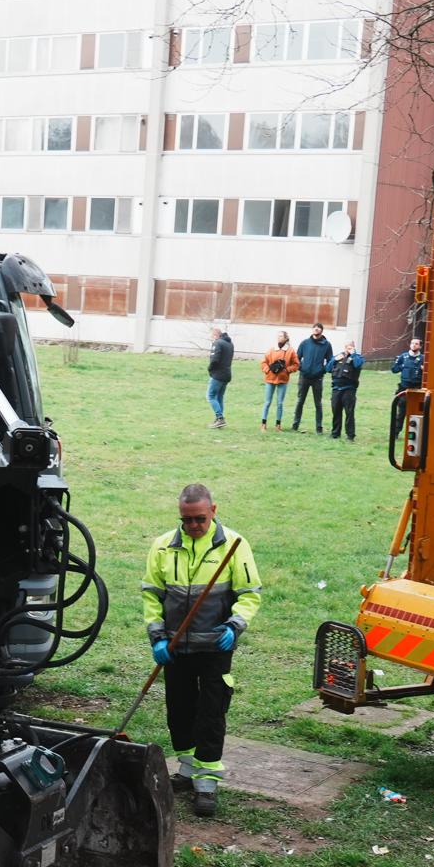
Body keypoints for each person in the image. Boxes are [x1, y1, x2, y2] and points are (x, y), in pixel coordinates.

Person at [142, 483, 264, 818]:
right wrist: (158, 638)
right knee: (179, 709)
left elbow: (250, 594)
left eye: (199, 519)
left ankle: (207, 782)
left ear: (214, 510)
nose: (193, 526)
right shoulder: (163, 547)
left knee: (211, 711)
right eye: (186, 520)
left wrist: (234, 626)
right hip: (176, 646)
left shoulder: (234, 546)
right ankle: (187, 769)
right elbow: (152, 595)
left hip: (215, 646)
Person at [291, 323, 334, 433]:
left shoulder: (327, 345)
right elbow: (296, 358)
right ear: (312, 330)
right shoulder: (305, 343)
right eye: (314, 327)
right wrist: (302, 368)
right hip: (304, 377)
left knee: (318, 403)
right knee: (300, 401)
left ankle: (319, 428)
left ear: (322, 331)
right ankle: (295, 425)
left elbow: (330, 361)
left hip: (317, 378)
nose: (316, 329)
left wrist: (322, 370)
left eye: (318, 328)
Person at [327, 340, 363, 442]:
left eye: (351, 347)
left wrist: (354, 354)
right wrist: (334, 360)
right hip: (336, 389)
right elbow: (328, 368)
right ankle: (335, 433)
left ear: (354, 347)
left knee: (349, 412)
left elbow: (358, 365)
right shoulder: (339, 356)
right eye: (347, 347)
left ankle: (350, 435)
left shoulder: (358, 357)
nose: (348, 348)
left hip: (349, 389)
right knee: (336, 411)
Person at [259, 334, 296, 428]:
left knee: (280, 403)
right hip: (270, 379)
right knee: (267, 402)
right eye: (278, 336)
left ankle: (278, 424)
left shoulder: (290, 351)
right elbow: (263, 362)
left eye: (281, 336)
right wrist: (267, 370)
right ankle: (263, 423)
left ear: (286, 338)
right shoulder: (271, 350)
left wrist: (287, 370)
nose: (279, 338)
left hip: (283, 380)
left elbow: (296, 364)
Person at [205, 323, 233, 429]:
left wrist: (210, 369)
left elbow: (215, 360)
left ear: (215, 334)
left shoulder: (217, 343)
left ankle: (220, 418)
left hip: (218, 374)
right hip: (227, 374)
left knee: (210, 396)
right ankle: (219, 420)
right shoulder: (230, 344)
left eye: (212, 335)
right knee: (219, 397)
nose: (211, 338)